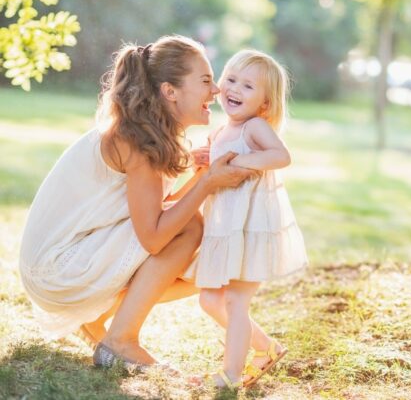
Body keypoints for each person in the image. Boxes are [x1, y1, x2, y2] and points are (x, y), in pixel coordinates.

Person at [18, 35, 254, 370]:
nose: (215, 90)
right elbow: (154, 237)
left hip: (62, 260)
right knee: (191, 228)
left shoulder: (148, 132)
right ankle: (121, 340)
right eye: (205, 81)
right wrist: (206, 182)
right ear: (170, 91)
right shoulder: (137, 140)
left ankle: (99, 320)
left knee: (205, 264)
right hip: (56, 269)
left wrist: (197, 172)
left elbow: (153, 211)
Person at [182, 49, 308, 389]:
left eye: (248, 86)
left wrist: (243, 163)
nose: (235, 89)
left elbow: (281, 156)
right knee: (210, 300)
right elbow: (217, 169)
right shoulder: (223, 129)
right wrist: (205, 160)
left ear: (264, 104)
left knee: (236, 301)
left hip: (252, 228)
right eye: (232, 80)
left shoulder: (254, 126)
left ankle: (231, 375)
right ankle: (267, 348)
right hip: (225, 227)